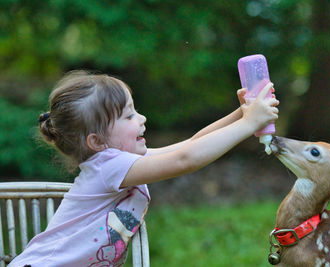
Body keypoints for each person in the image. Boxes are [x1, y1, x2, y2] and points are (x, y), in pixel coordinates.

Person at [9, 71, 279, 267]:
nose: (142, 118)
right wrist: (247, 124)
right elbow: (186, 159)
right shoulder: (110, 166)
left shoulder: (119, 162)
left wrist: (242, 114)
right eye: (129, 116)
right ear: (97, 141)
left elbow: (191, 144)